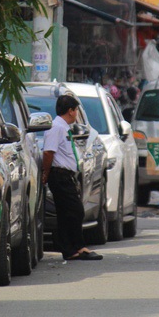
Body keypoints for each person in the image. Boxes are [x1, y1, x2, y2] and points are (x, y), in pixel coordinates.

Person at [41, 94, 102, 261]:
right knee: (75, 211)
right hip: (59, 175)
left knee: (66, 213)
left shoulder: (63, 127)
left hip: (66, 175)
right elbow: (48, 152)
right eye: (76, 110)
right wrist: (46, 173)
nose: (76, 114)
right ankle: (78, 246)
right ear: (70, 111)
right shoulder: (56, 127)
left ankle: (69, 249)